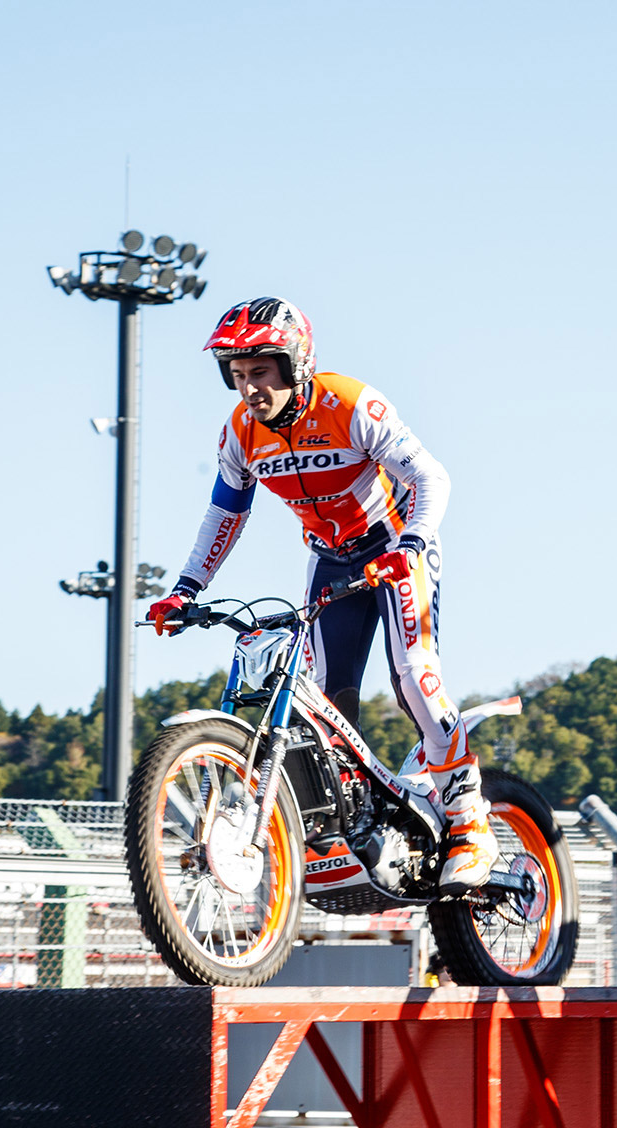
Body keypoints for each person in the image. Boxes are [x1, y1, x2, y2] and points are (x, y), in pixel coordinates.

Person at [144, 297, 494, 893]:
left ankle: (469, 821)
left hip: (395, 544)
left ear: (295, 363)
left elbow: (431, 477)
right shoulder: (240, 432)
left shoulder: (352, 404)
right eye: (237, 375)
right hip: (330, 559)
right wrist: (185, 590)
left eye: (260, 371)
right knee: (326, 701)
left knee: (412, 674)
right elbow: (225, 514)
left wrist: (409, 544)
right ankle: (351, 820)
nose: (249, 388)